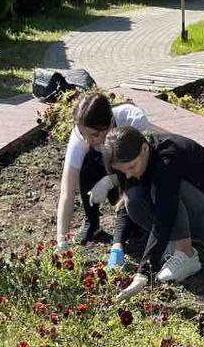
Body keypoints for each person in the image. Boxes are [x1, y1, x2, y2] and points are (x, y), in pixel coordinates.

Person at [103, 126, 204, 299]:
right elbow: (125, 206)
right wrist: (117, 244)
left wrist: (144, 272)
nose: (128, 175)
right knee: (132, 198)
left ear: (144, 148)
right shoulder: (134, 162)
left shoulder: (167, 158)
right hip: (182, 213)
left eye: (131, 167)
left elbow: (165, 212)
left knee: (161, 189)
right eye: (122, 171)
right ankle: (172, 243)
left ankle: (186, 255)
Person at [53, 92, 154, 266]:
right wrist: (61, 239)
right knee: (87, 162)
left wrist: (109, 181)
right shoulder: (82, 136)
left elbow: (147, 172)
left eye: (93, 135)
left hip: (139, 178)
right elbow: (67, 191)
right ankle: (92, 224)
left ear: (108, 126)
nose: (88, 140)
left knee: (133, 193)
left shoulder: (133, 120)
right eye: (83, 134)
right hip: (113, 170)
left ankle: (139, 224)